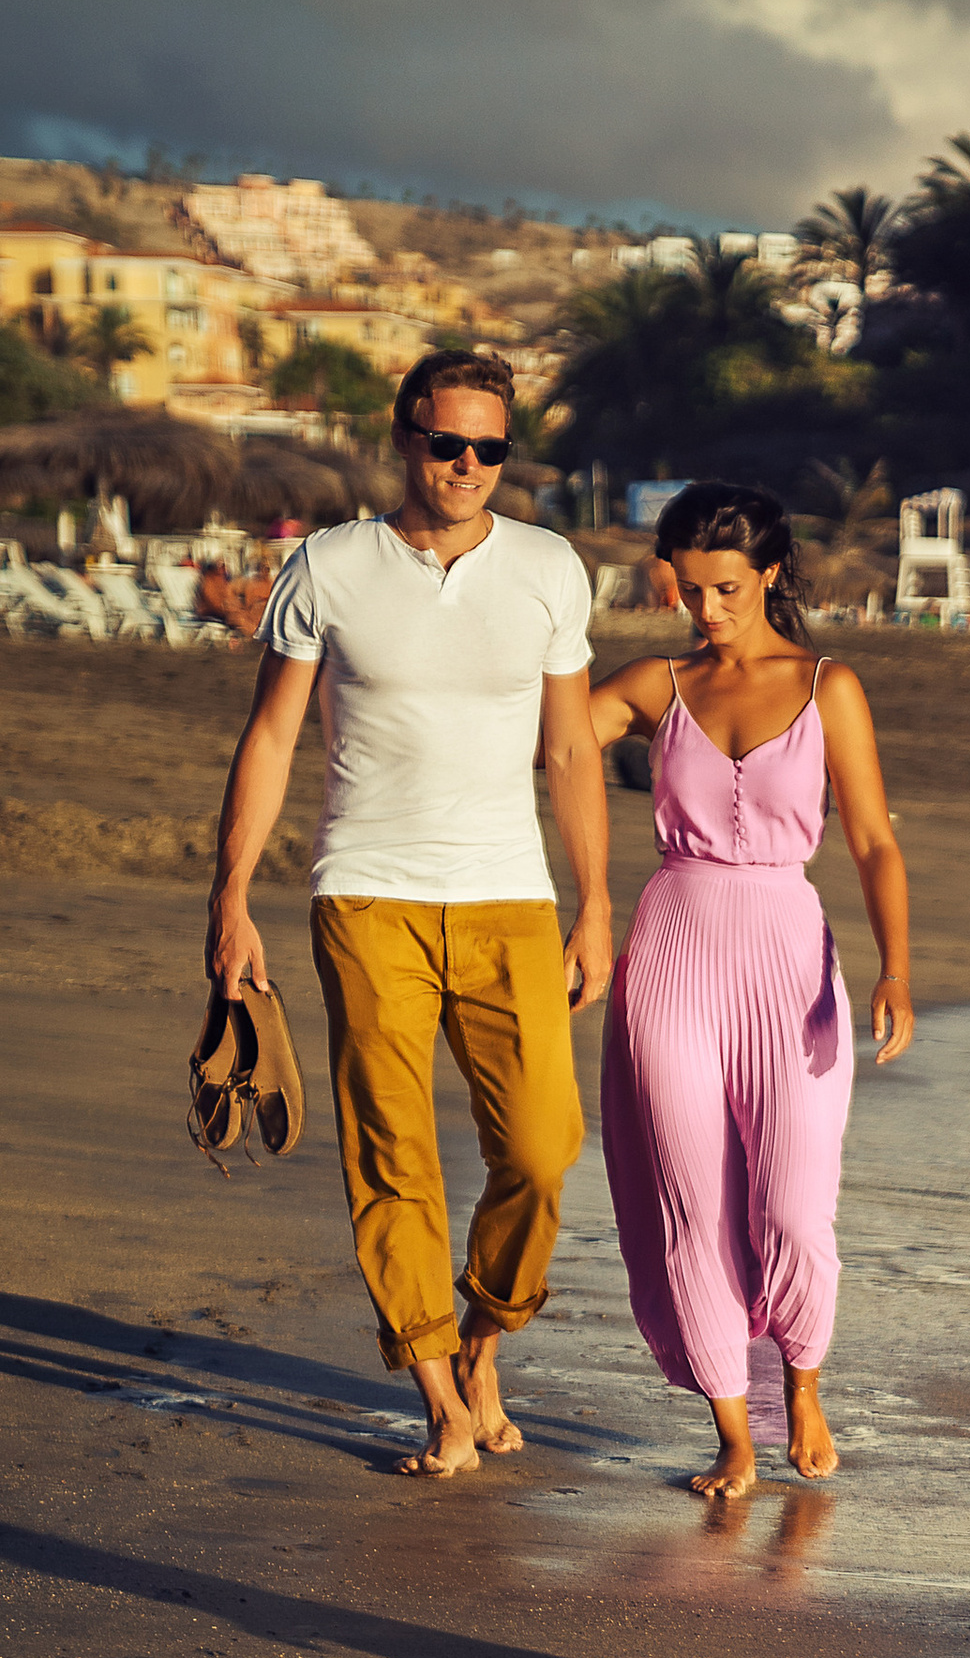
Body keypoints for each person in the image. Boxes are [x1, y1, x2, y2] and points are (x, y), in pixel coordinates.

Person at [205, 350, 611, 1479]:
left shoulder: (549, 567)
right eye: (448, 444)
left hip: (511, 898)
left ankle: (484, 1334)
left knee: (542, 1146)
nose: (469, 466)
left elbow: (572, 745)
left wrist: (594, 907)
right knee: (394, 1155)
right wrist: (231, 899)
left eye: (490, 448)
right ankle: (438, 1393)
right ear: (405, 441)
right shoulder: (329, 568)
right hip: (367, 891)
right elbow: (273, 736)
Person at [587, 485, 913, 1500]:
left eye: (724, 587)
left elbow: (870, 839)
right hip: (673, 952)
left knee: (795, 1208)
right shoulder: (656, 683)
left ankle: (801, 1385)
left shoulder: (829, 688)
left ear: (770, 573)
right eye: (687, 589)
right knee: (693, 1205)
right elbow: (548, 735)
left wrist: (897, 966)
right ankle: (733, 1430)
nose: (706, 608)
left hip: (785, 952)